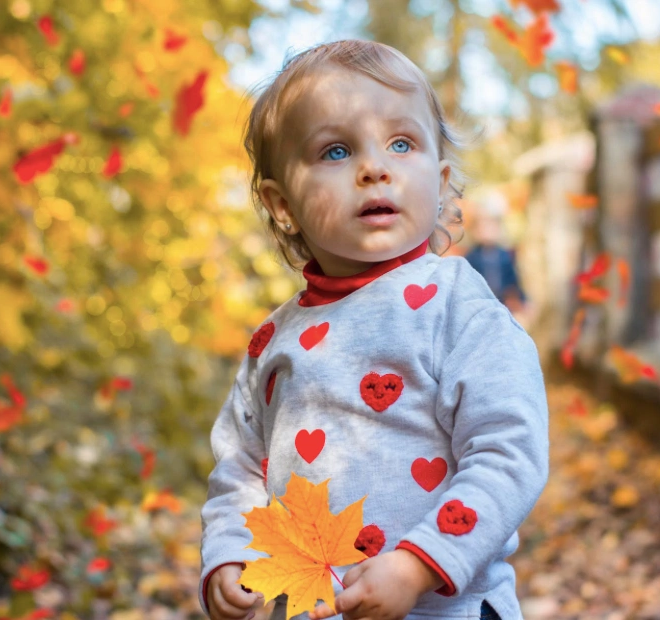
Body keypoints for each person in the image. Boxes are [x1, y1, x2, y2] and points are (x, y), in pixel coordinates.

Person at [199, 39, 549, 620]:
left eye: (401, 143)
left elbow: (509, 449)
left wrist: (418, 562)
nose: (374, 167)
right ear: (281, 203)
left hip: (446, 608)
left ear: (439, 181)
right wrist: (229, 554)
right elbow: (240, 464)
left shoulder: (457, 306)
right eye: (335, 151)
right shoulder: (273, 340)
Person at [463, 212, 527, 315]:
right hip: (479, 304)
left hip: (502, 302)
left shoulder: (505, 255)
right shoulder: (472, 257)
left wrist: (523, 300)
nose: (487, 232)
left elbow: (513, 281)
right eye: (483, 228)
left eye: (491, 228)